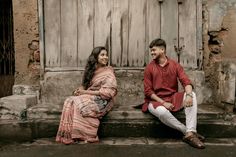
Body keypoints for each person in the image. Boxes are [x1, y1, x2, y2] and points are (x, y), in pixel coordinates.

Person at [142, 38, 205, 149]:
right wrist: (163, 103)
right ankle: (188, 132)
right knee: (162, 112)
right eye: (151, 51)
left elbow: (186, 81)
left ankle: (190, 131)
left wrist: (189, 95)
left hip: (172, 98)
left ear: (162, 50)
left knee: (192, 95)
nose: (151, 53)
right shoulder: (149, 68)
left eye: (154, 50)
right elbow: (148, 91)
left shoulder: (175, 65)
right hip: (155, 101)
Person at [56, 46, 117, 144]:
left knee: (79, 103)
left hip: (103, 100)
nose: (105, 57)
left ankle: (86, 135)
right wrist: (79, 90)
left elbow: (108, 93)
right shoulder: (92, 70)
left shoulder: (109, 72)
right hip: (91, 96)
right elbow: (85, 86)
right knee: (69, 100)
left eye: (106, 55)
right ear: (96, 57)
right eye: (102, 55)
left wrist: (85, 92)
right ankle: (70, 134)